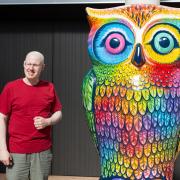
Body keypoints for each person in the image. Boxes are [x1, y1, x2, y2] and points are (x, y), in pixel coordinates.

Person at [0, 51, 62, 180]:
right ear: (24, 64)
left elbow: (58, 113)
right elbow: (2, 118)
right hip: (16, 151)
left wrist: (48, 121)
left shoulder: (49, 87)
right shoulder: (11, 88)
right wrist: (2, 150)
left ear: (43, 67)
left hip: (42, 151)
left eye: (35, 65)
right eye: (28, 64)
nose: (30, 68)